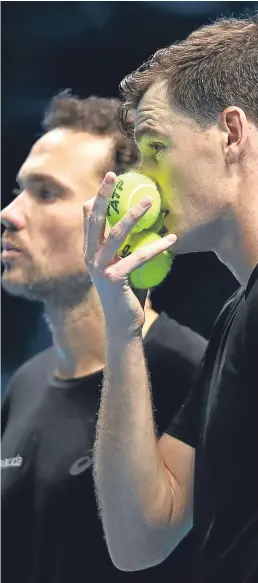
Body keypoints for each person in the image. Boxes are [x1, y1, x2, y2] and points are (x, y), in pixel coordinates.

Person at [1, 93, 207, 583]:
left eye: (46, 193)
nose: (9, 212)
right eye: (18, 189)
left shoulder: (195, 374)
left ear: (124, 221)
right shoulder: (27, 384)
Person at [84, 16, 258, 583]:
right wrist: (122, 328)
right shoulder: (237, 316)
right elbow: (141, 536)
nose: (143, 180)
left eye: (156, 146)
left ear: (232, 134)